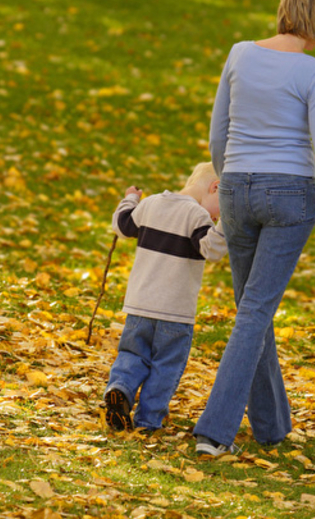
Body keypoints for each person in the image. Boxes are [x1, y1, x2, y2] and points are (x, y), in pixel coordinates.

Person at [194, 0, 315, 456]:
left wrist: (229, 182)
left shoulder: (239, 53)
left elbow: (218, 135)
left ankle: (272, 425)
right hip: (289, 198)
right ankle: (214, 432)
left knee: (252, 310)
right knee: (255, 311)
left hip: (236, 189)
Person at [103, 162, 228, 433]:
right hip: (175, 312)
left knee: (133, 354)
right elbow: (213, 250)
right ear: (215, 187)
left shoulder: (151, 204)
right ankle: (148, 421)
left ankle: (120, 389)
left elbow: (121, 226)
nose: (219, 214)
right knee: (166, 366)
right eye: (226, 202)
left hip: (140, 306)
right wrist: (228, 222)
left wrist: (131, 199)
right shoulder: (198, 216)